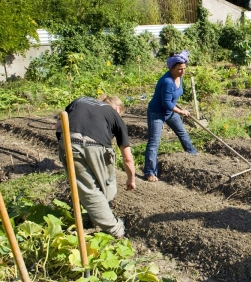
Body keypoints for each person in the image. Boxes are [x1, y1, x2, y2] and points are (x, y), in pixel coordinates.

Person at [57, 95, 136, 238]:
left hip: (69, 141)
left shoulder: (80, 101)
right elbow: (127, 157)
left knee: (87, 186)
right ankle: (116, 229)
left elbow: (58, 125)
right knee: (100, 187)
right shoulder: (114, 115)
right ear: (117, 109)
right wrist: (131, 179)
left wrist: (63, 146)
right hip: (97, 146)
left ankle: (96, 217)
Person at [144, 50, 198, 182]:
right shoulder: (167, 81)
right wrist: (181, 111)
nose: (183, 71)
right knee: (154, 142)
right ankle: (150, 172)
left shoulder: (180, 77)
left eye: (184, 68)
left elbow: (173, 98)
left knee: (182, 133)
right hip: (157, 113)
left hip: (170, 112)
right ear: (172, 68)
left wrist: (178, 108)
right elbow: (166, 103)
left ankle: (193, 153)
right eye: (180, 69)